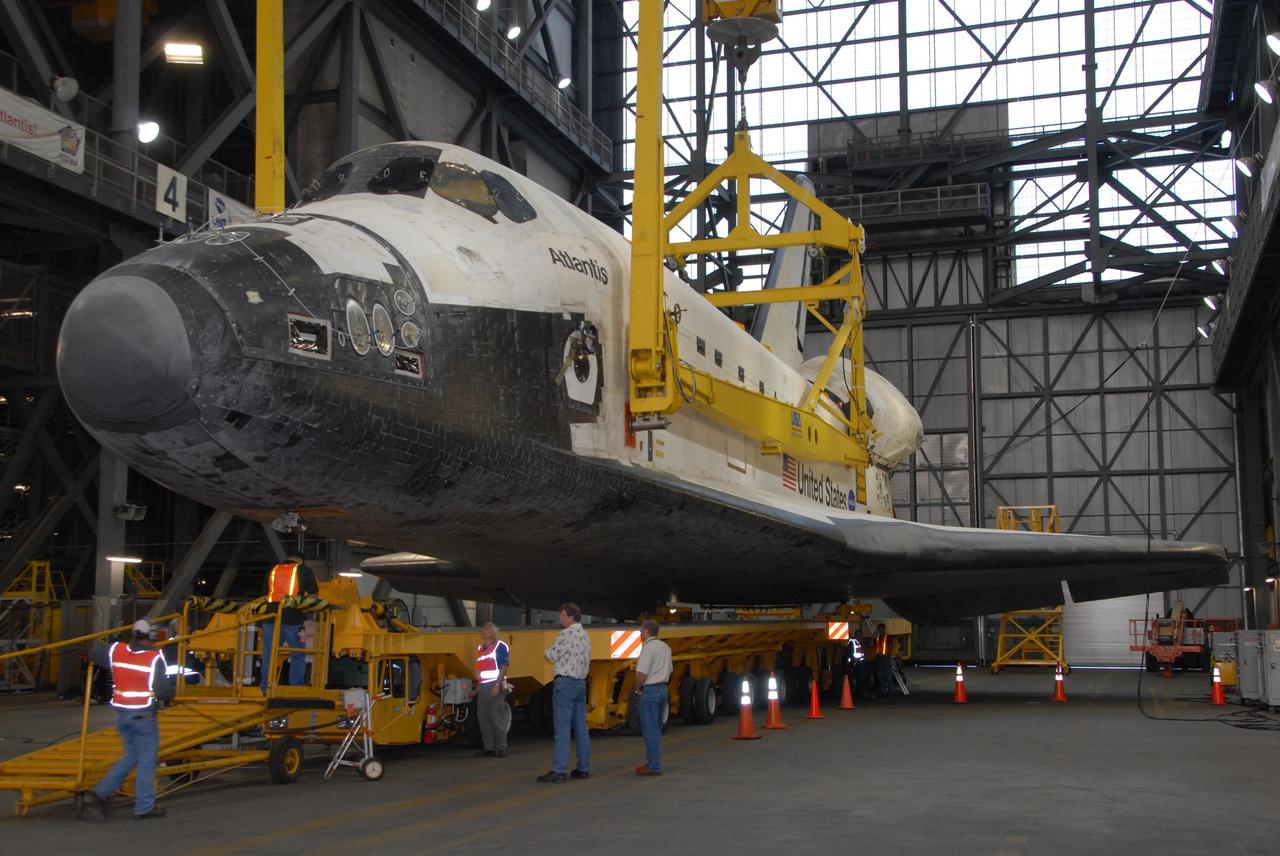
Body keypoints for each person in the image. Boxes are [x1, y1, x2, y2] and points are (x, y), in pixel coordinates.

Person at [85, 619, 175, 820]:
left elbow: (92, 654)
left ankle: (102, 792)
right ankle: (144, 807)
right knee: (146, 763)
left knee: (131, 756)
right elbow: (164, 690)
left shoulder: (116, 650)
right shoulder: (153, 659)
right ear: (151, 637)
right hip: (143, 717)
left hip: (122, 716)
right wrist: (172, 691)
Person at [537, 603, 591, 783]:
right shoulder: (585, 636)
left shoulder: (565, 634)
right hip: (581, 684)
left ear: (570, 616)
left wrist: (544, 651)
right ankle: (583, 768)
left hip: (565, 684)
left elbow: (551, 655)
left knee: (562, 728)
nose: (560, 619)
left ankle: (559, 770)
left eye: (562, 615)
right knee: (581, 727)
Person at [260, 556, 318, 691]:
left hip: (271, 618)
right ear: (300, 561)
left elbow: (264, 595)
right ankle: (296, 687)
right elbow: (314, 595)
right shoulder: (303, 570)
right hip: (295, 620)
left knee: (269, 653)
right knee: (298, 653)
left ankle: (265, 686)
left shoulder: (273, 570)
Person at [633, 619, 672, 776]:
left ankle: (653, 765)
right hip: (663, 689)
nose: (641, 634)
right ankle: (653, 762)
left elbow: (642, 673)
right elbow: (670, 670)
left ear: (647, 631)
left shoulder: (648, 649)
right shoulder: (666, 647)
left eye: (641, 631)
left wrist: (637, 688)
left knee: (649, 730)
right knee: (656, 729)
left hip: (650, 691)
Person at [473, 622, 512, 758]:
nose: (484, 630)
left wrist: (497, 684)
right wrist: (476, 689)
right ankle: (488, 747)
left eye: (487, 629)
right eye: (483, 628)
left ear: (494, 633)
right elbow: (481, 672)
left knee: (497, 718)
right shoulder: (481, 648)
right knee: (484, 718)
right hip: (484, 687)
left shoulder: (500, 646)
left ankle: (501, 747)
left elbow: (504, 667)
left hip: (495, 686)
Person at [873, 622, 895, 697]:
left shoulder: (887, 636)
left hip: (885, 657)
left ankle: (890, 690)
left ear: (884, 629)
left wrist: (888, 653)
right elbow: (873, 645)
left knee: (887, 674)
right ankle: (883, 690)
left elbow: (891, 645)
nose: (880, 630)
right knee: (881, 674)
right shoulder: (877, 637)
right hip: (879, 657)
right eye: (879, 629)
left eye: (882, 628)